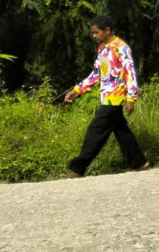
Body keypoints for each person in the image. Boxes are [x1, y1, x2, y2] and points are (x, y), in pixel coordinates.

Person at [64, 15, 149, 178]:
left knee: (95, 131)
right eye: (93, 33)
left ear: (107, 30)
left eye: (96, 32)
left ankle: (77, 168)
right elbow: (96, 73)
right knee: (120, 130)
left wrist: (131, 98)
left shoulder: (121, 48)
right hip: (106, 96)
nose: (94, 36)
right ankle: (139, 162)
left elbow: (130, 73)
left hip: (115, 96)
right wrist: (77, 90)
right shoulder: (103, 49)